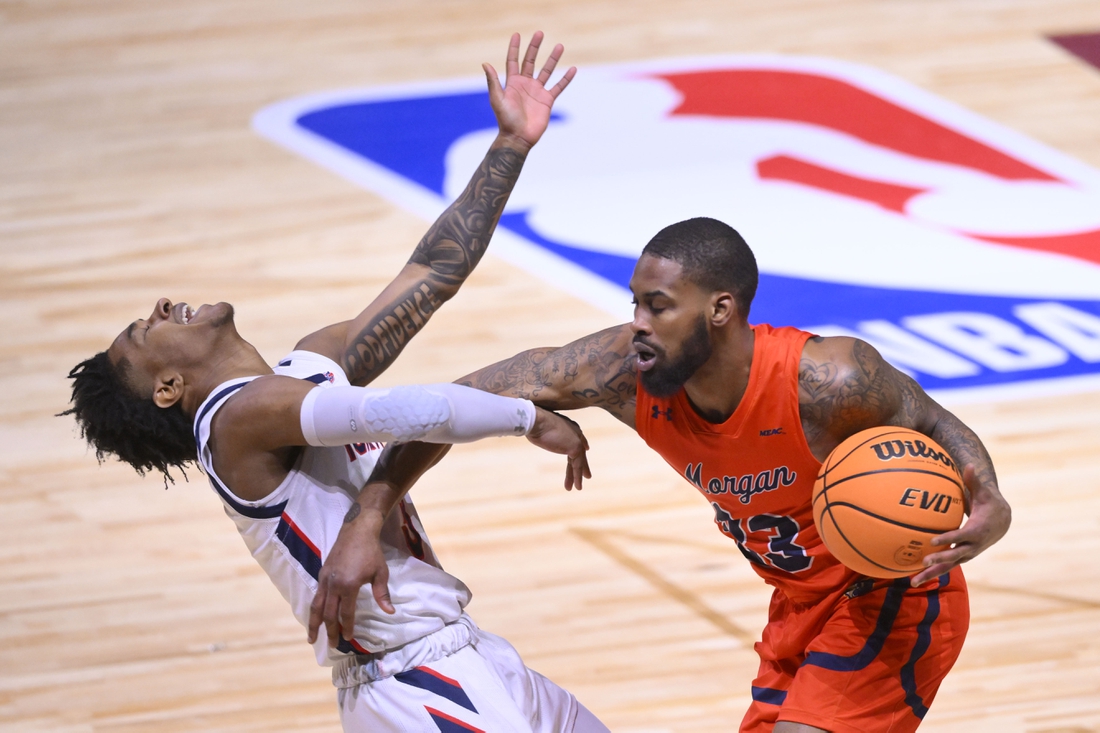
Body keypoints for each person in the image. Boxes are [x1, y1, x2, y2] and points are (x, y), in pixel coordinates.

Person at [63, 33, 610, 733]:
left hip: (461, 655)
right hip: (412, 682)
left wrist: (511, 145)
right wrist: (528, 418)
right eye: (147, 329)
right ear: (168, 387)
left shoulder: (302, 367)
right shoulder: (235, 422)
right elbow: (417, 409)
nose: (164, 305)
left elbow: (430, 276)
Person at [313, 217, 1013, 732]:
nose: (638, 323)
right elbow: (448, 404)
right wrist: (367, 518)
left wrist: (989, 498)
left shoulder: (827, 378)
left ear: (721, 309)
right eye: (635, 302)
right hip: (800, 605)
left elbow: (931, 419)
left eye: (658, 305)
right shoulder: (620, 371)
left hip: (891, 595)